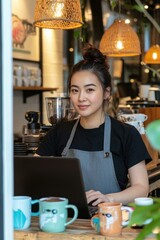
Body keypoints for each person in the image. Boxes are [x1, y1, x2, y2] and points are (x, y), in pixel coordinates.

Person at [36, 45, 151, 207]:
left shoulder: (126, 134)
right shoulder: (60, 132)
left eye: (89, 90)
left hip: (109, 220)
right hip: (66, 222)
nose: (81, 97)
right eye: (75, 90)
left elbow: (141, 188)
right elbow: (33, 175)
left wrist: (109, 199)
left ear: (106, 93)